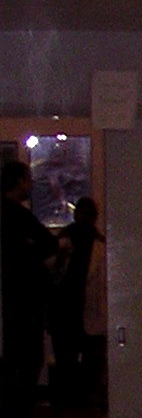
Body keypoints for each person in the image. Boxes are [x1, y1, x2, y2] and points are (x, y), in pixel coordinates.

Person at [1, 159, 58, 402]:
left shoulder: (14, 215)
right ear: (19, 181)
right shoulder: (18, 215)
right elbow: (49, 243)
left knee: (17, 355)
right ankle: (19, 405)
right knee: (27, 356)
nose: (32, 184)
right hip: (23, 296)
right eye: (28, 179)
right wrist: (31, 250)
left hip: (14, 295)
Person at [49, 195, 100, 407]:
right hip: (67, 308)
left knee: (84, 363)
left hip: (82, 308)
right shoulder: (64, 241)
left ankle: (76, 403)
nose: (85, 218)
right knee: (68, 362)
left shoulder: (96, 243)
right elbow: (52, 274)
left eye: (89, 215)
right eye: (83, 214)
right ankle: (71, 403)